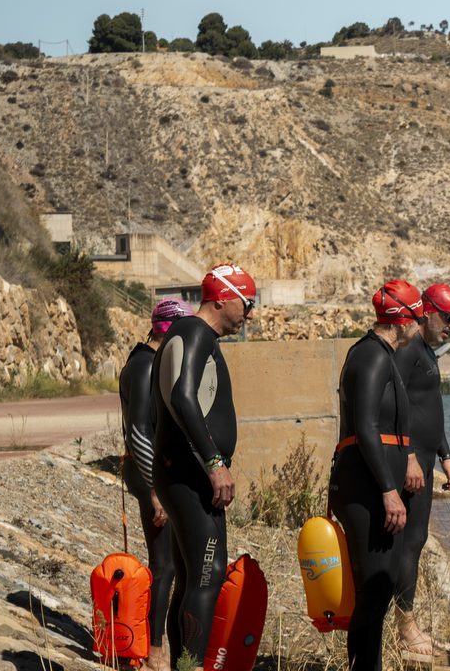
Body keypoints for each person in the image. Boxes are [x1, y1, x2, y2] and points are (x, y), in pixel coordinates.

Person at [153, 263, 255, 670]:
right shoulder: (195, 333)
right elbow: (182, 396)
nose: (251, 314)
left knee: (189, 575)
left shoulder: (187, 335)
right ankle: (192, 666)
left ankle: (184, 665)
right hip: (192, 475)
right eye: (247, 304)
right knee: (208, 574)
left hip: (180, 471)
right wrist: (215, 463)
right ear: (225, 299)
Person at [328, 280, 424, 671]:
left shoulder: (380, 354)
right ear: (403, 321)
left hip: (370, 485)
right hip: (365, 488)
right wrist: (388, 488)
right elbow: (365, 427)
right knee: (374, 588)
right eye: (418, 318)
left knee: (378, 588)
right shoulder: (371, 355)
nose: (421, 326)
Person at [118, 297, 193, 671]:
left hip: (150, 474)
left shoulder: (142, 361)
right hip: (149, 476)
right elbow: (139, 432)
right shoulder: (145, 366)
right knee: (164, 565)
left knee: (172, 564)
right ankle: (155, 651)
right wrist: (154, 490)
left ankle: (162, 642)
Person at [392, 283, 450, 654]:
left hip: (425, 455)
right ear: (428, 311)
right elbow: (395, 405)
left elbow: (429, 407)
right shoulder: (408, 353)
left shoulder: (427, 353)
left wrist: (446, 453)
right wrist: (407, 457)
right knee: (409, 542)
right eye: (448, 318)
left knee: (414, 542)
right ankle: (406, 627)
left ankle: (404, 623)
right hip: (410, 460)